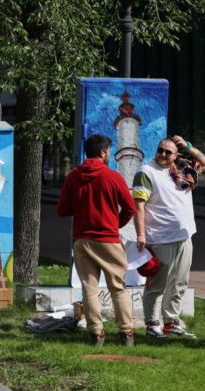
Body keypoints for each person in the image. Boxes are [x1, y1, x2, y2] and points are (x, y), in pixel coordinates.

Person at [57, 134, 136, 346]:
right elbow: (130, 207)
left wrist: (83, 206)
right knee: (117, 287)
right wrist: (116, 224)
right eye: (108, 151)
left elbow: (62, 209)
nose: (109, 154)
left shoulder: (73, 177)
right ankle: (126, 333)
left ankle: (96, 334)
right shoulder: (113, 177)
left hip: (82, 239)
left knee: (89, 288)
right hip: (108, 239)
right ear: (103, 152)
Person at [132, 135, 205, 339]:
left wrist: (189, 146)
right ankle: (152, 324)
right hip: (159, 238)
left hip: (184, 236)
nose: (163, 154)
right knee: (157, 283)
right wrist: (140, 234)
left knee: (180, 282)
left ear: (176, 155)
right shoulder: (146, 172)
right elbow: (138, 206)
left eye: (168, 152)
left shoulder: (183, 170)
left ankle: (171, 322)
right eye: (160, 150)